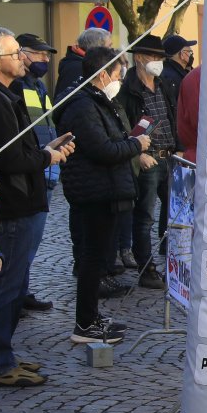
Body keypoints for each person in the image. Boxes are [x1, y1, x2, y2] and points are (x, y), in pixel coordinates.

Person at [0, 29, 70, 384]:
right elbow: (8, 159)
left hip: (20, 202)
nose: (23, 58)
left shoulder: (6, 95)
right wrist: (47, 157)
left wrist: (45, 150)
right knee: (3, 288)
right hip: (11, 206)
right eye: (14, 53)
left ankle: (2, 354)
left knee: (12, 286)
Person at [61, 48, 146, 344]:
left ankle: (91, 318)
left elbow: (111, 140)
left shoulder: (96, 101)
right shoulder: (84, 106)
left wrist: (129, 141)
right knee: (92, 259)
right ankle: (85, 324)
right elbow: (103, 150)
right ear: (102, 75)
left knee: (96, 259)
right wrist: (136, 145)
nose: (119, 80)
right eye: (117, 74)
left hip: (104, 189)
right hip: (94, 192)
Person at [116, 35, 175, 290]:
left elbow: (171, 115)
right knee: (145, 217)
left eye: (161, 57)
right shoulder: (127, 90)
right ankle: (146, 268)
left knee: (174, 215)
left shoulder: (163, 84)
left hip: (169, 157)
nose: (158, 61)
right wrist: (137, 154)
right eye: (154, 56)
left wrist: (178, 147)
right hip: (146, 160)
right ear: (139, 57)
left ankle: (173, 263)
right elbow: (121, 127)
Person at [13, 34, 58, 314]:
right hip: (32, 168)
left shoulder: (39, 86)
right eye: (40, 54)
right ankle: (14, 295)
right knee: (22, 240)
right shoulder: (17, 86)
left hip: (47, 169)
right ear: (23, 53)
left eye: (47, 55)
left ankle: (22, 291)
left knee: (33, 239)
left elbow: (47, 125)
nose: (45, 59)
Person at [53, 27, 111, 124]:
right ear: (97, 48)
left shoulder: (80, 64)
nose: (111, 51)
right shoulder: (77, 68)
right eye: (109, 47)